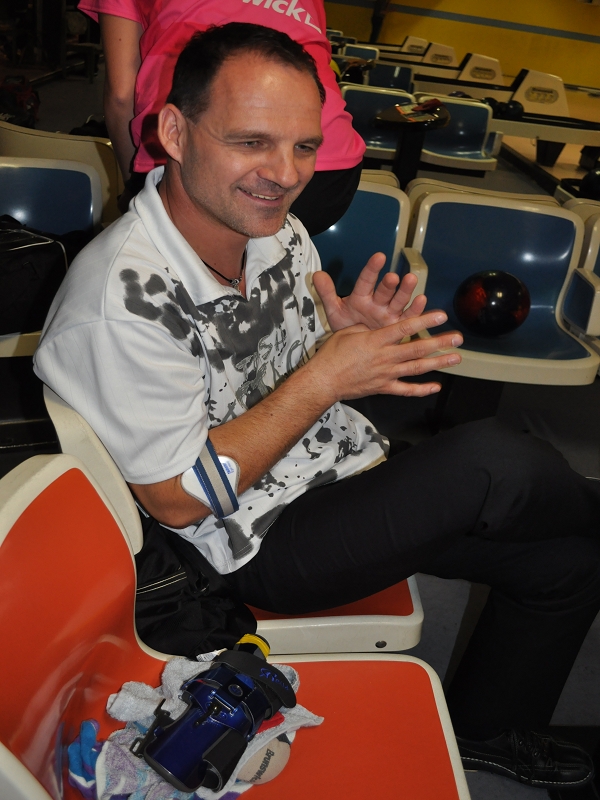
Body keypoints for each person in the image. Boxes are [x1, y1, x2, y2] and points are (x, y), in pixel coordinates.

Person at [35, 23, 600, 790]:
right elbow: (176, 498)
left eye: (304, 146)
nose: (284, 174)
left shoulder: (272, 233)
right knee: (491, 459)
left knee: (570, 565)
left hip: (330, 472)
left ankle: (490, 732)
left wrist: (335, 340)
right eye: (251, 142)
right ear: (174, 131)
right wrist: (324, 379)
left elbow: (266, 372)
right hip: (248, 544)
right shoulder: (121, 301)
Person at [78, 0, 365, 234]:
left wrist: (136, 186)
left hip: (188, 154)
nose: (285, 176)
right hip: (332, 165)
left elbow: (121, 95)